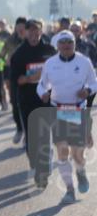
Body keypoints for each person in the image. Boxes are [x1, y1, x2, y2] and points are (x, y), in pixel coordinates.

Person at [37, 31, 97, 203]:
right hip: (57, 110)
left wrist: (87, 91)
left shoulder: (84, 62)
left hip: (77, 110)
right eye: (62, 42)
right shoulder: (50, 63)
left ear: (74, 44)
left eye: (69, 42)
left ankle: (80, 171)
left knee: (77, 154)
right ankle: (70, 190)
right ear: (57, 45)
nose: (66, 45)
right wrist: (43, 94)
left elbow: (94, 83)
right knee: (62, 151)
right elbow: (41, 85)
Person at [10, 19, 57, 188]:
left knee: (44, 135)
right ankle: (37, 163)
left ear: (41, 31)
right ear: (25, 32)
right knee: (32, 139)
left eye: (37, 30)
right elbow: (17, 80)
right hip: (27, 100)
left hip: (47, 99)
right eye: (30, 30)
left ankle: (42, 171)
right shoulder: (19, 54)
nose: (34, 33)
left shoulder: (50, 50)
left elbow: (58, 73)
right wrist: (33, 77)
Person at [2, 17, 28, 144]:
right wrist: (6, 61)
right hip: (14, 75)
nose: (21, 29)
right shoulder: (10, 40)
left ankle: (28, 134)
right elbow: (2, 55)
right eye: (19, 27)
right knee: (14, 103)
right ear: (16, 27)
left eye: (23, 27)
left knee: (27, 104)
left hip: (29, 76)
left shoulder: (31, 39)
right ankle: (19, 129)